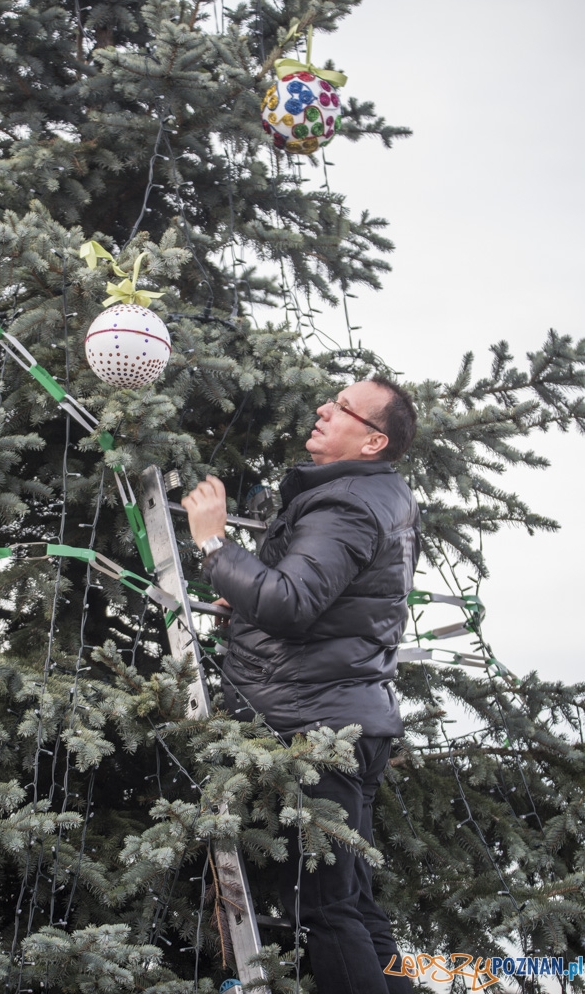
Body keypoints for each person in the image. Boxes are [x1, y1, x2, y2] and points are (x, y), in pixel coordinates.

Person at [182, 378, 420, 994]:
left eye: (342, 407)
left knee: (325, 911)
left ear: (373, 441)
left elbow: (292, 603)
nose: (322, 408)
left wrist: (214, 542)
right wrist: (245, 598)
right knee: (354, 905)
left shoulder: (344, 503)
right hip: (346, 722)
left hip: (312, 729)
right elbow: (331, 605)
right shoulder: (374, 497)